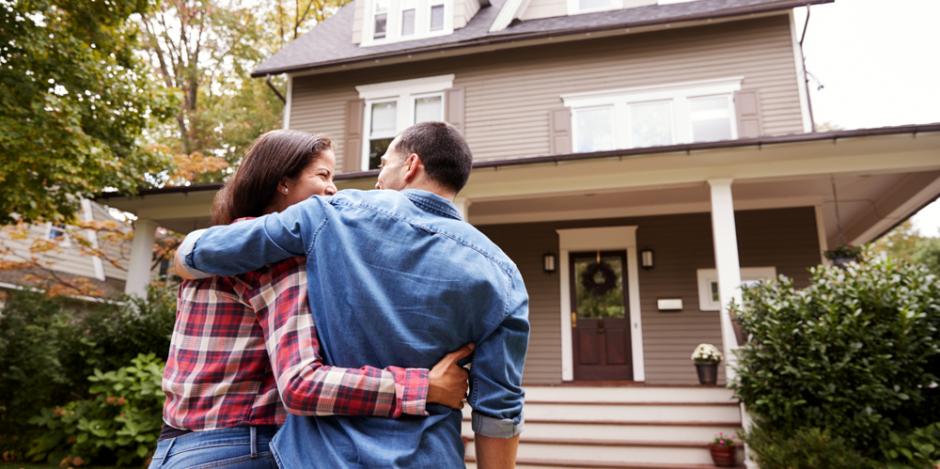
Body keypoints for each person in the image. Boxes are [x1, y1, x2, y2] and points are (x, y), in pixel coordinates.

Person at [176, 122, 529, 468]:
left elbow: (209, 249)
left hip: (325, 457)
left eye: (383, 164)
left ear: (411, 165)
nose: (376, 178)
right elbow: (499, 410)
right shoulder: (504, 275)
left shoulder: (331, 216)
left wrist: (184, 256)